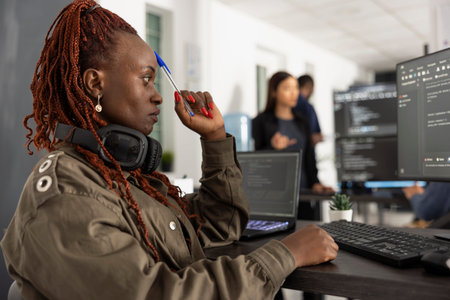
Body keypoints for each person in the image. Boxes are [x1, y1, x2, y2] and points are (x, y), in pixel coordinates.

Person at [0, 1, 338, 299]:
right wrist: (284, 255)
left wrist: (215, 137)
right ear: (94, 84)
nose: (158, 95)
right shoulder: (66, 194)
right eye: (146, 79)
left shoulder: (122, 175)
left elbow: (219, 227)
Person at [252, 71, 333, 195]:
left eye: (296, 88)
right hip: (274, 193)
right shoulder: (260, 121)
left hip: (304, 191)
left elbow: (309, 156)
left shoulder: (302, 121)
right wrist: (273, 149)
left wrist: (315, 182)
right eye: (287, 88)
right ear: (274, 92)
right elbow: (255, 162)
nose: (294, 93)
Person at [294, 75, 323, 146]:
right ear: (311, 88)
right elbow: (315, 136)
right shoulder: (308, 107)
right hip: (306, 153)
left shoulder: (286, 106)